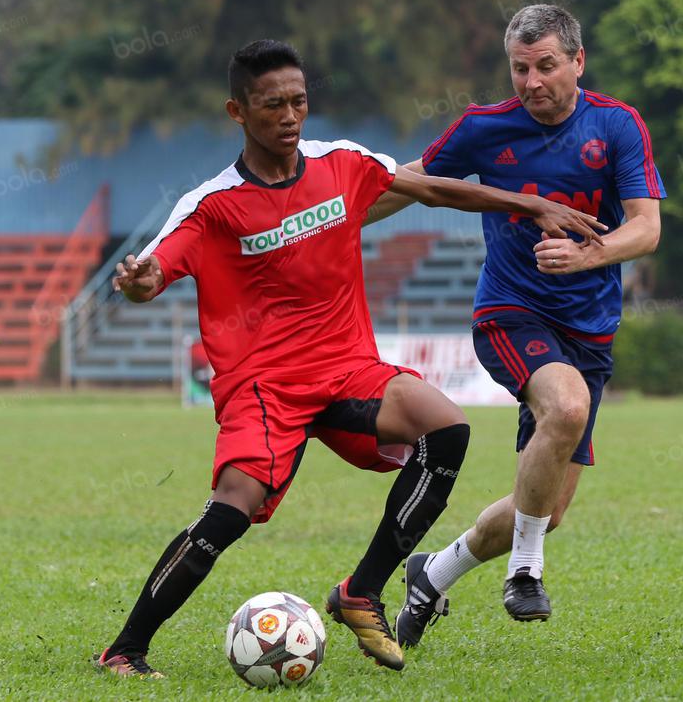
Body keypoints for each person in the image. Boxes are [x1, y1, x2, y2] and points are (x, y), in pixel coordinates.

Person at [96, 38, 606, 677]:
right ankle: (126, 649)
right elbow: (155, 269)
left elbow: (433, 190)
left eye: (299, 101)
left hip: (346, 370)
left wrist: (530, 204)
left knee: (447, 427)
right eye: (272, 105)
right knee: (232, 511)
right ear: (237, 112)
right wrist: (141, 281)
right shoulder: (212, 205)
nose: (289, 116)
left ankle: (362, 590)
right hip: (265, 386)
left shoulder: (341, 163)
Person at [365, 4, 665, 644]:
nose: (531, 81)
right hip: (509, 312)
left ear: (578, 62)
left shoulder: (617, 126)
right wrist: (329, 223)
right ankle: (524, 573)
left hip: (590, 333)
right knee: (567, 407)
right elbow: (413, 183)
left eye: (546, 66)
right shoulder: (482, 127)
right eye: (520, 68)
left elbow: (646, 226)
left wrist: (591, 253)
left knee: (546, 509)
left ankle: (431, 574)